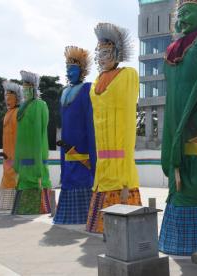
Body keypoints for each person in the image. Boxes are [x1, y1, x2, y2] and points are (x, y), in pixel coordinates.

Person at [158, 0, 197, 256]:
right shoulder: (170, 51)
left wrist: (188, 119)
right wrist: (172, 131)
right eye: (180, 11)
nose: (183, 16)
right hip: (174, 120)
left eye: (189, 10)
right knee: (177, 180)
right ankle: (177, 239)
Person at [86, 23, 142, 233]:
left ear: (117, 53)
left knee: (119, 178)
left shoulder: (127, 75)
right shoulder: (96, 82)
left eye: (107, 52)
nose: (102, 57)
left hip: (120, 158)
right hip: (103, 156)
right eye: (99, 52)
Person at [53, 46, 96, 224]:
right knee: (68, 177)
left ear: (82, 70)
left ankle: (85, 215)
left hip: (83, 147)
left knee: (82, 177)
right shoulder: (64, 92)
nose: (70, 72)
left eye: (73, 68)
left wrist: (92, 155)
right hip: (66, 148)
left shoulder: (87, 89)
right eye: (67, 69)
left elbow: (90, 123)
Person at [12, 70, 52, 215]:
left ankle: (41, 207)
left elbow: (39, 132)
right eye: (23, 86)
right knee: (24, 181)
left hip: (36, 158)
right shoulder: (21, 109)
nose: (25, 89)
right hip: (24, 159)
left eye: (28, 86)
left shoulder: (40, 105)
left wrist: (38, 164)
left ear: (34, 88)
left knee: (36, 180)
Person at [0, 81, 22, 210]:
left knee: (13, 177)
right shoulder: (7, 113)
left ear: (17, 99)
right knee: (6, 176)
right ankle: (5, 204)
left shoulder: (17, 112)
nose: (7, 101)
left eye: (10, 98)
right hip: (6, 152)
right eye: (6, 98)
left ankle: (13, 204)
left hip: (14, 154)